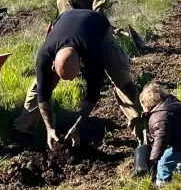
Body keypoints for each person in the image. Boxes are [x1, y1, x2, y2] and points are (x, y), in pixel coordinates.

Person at [13, 9, 145, 147]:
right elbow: (42, 94)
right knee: (39, 85)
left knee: (122, 80)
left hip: (97, 25)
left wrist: (77, 126)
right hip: (66, 19)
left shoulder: (94, 54)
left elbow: (92, 95)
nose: (70, 82)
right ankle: (23, 131)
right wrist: (49, 128)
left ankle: (141, 130)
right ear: (53, 64)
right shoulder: (44, 56)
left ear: (81, 63)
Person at [140, 83, 181, 187]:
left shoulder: (159, 117)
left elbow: (160, 139)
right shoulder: (169, 105)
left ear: (148, 105)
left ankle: (162, 184)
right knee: (175, 153)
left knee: (164, 161)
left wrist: (154, 158)